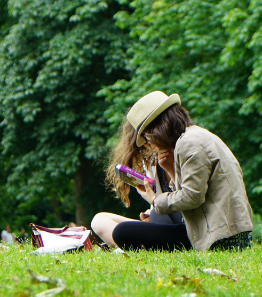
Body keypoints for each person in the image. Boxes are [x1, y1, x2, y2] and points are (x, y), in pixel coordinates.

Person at [91, 91, 253, 252]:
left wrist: (155, 201)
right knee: (150, 217)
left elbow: (192, 197)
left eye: (148, 136)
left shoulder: (189, 143)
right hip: (209, 229)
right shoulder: (192, 137)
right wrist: (169, 169)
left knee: (122, 232)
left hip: (220, 237)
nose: (149, 143)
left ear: (158, 127)